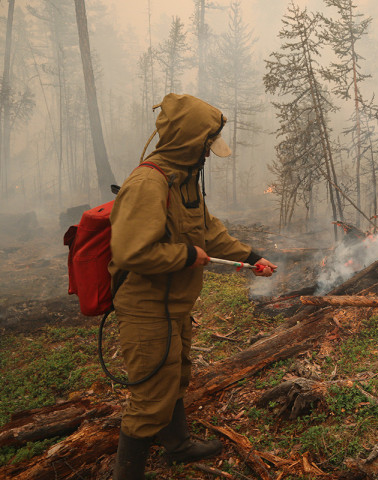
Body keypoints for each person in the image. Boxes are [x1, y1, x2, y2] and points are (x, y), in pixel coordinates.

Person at [109, 93, 276, 479]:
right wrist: (187, 256)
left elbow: (208, 230)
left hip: (175, 305)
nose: (208, 154)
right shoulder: (148, 183)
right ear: (189, 141)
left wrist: (251, 257)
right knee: (150, 397)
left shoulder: (183, 179)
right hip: (147, 308)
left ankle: (178, 445)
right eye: (206, 145)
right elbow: (133, 252)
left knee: (176, 375)